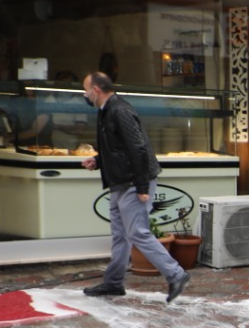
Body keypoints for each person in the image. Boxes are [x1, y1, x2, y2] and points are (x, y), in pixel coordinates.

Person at [80, 71, 189, 303]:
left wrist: (142, 186)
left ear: (96, 90)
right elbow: (118, 148)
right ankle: (114, 283)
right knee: (121, 235)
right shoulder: (107, 111)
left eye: (85, 90)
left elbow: (138, 148)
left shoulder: (119, 110)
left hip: (132, 182)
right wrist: (98, 161)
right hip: (121, 182)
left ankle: (176, 274)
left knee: (137, 232)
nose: (84, 95)